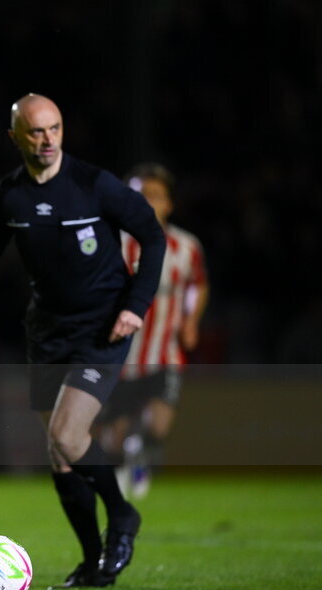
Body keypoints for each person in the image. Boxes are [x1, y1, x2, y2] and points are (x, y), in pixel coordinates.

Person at [0, 94, 165, 588]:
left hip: (102, 331)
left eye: (54, 128)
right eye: (35, 131)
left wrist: (135, 307)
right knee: (58, 453)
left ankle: (121, 515)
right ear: (15, 138)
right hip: (47, 332)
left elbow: (152, 237)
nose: (47, 139)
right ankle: (93, 561)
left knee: (67, 436)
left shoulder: (94, 185)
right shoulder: (10, 196)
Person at [99, 163, 209, 498]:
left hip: (165, 353)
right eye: (138, 194)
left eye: (154, 195)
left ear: (169, 204)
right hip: (120, 355)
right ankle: (123, 465)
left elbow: (198, 285)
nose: (146, 201)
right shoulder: (112, 242)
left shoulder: (186, 246)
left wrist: (191, 320)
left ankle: (141, 455)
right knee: (112, 437)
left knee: (157, 425)